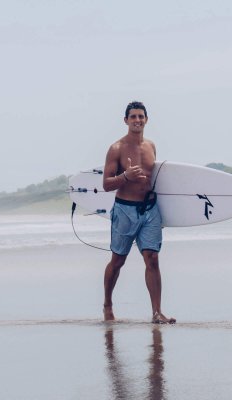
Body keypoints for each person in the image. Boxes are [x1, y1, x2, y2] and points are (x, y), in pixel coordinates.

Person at [102, 101, 176, 324]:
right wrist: (126, 177)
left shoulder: (151, 146)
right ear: (126, 120)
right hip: (125, 210)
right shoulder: (116, 149)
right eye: (133, 117)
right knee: (118, 261)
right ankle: (107, 304)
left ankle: (156, 312)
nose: (137, 120)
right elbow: (106, 184)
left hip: (150, 210)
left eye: (140, 116)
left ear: (146, 119)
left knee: (152, 259)